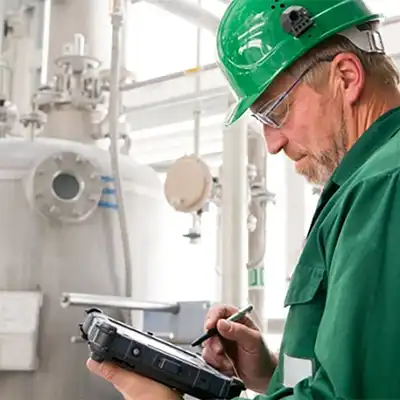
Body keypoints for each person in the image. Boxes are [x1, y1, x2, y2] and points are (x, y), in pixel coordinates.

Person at [87, 0, 400, 398]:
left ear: (345, 76)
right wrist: (268, 372)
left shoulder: (386, 184)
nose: (272, 143)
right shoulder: (362, 184)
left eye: (276, 112)